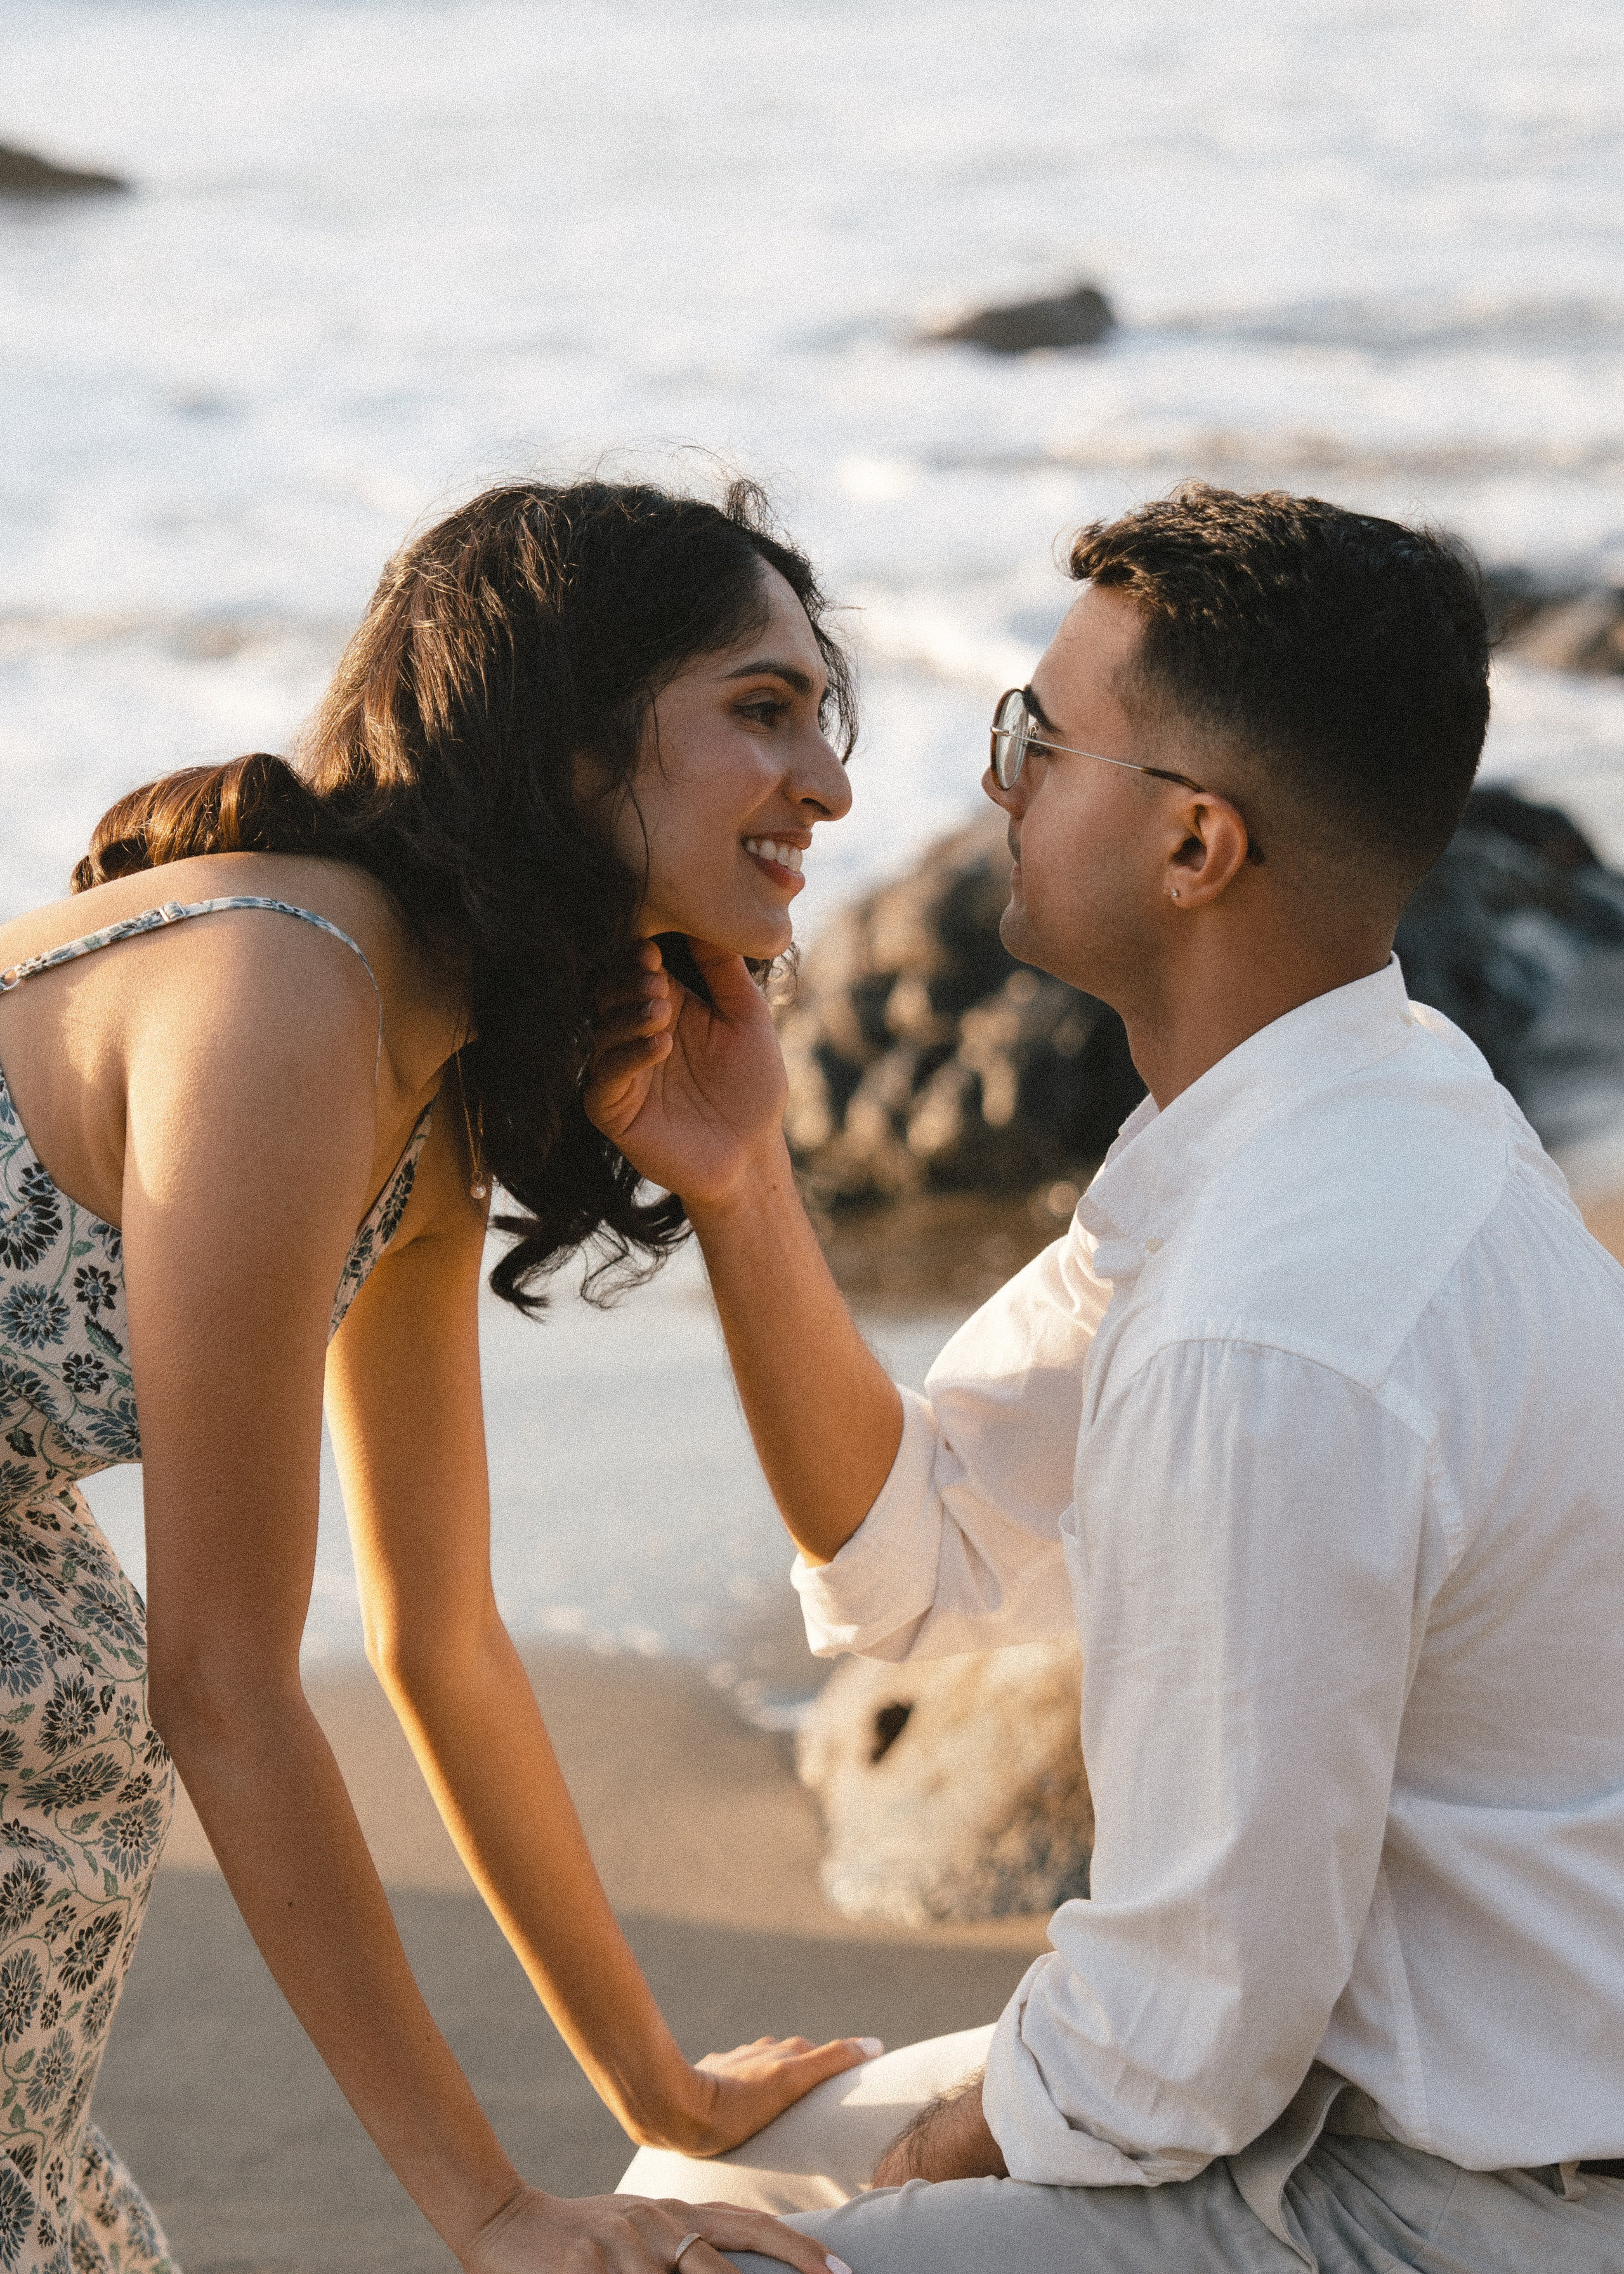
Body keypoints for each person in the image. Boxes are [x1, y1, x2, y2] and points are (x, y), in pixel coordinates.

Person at [592, 484, 1624, 2271]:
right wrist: (741, 1176)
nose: (998, 784)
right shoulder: (1347, 1104)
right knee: (706, 2188)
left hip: (1454, 2199)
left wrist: (954, 2145)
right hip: (1350, 2096)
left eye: (1043, 742)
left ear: (1196, 848)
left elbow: (1192, 2031)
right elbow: (921, 1547)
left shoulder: (1272, 1329)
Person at [0, 476, 877, 2274]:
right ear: (567, 740)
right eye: (761, 710)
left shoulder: (417, 1063)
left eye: (824, 718)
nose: (834, 787)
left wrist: (660, 2093)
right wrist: (486, 2210)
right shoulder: (284, 997)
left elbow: (440, 1636)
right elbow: (226, 1677)